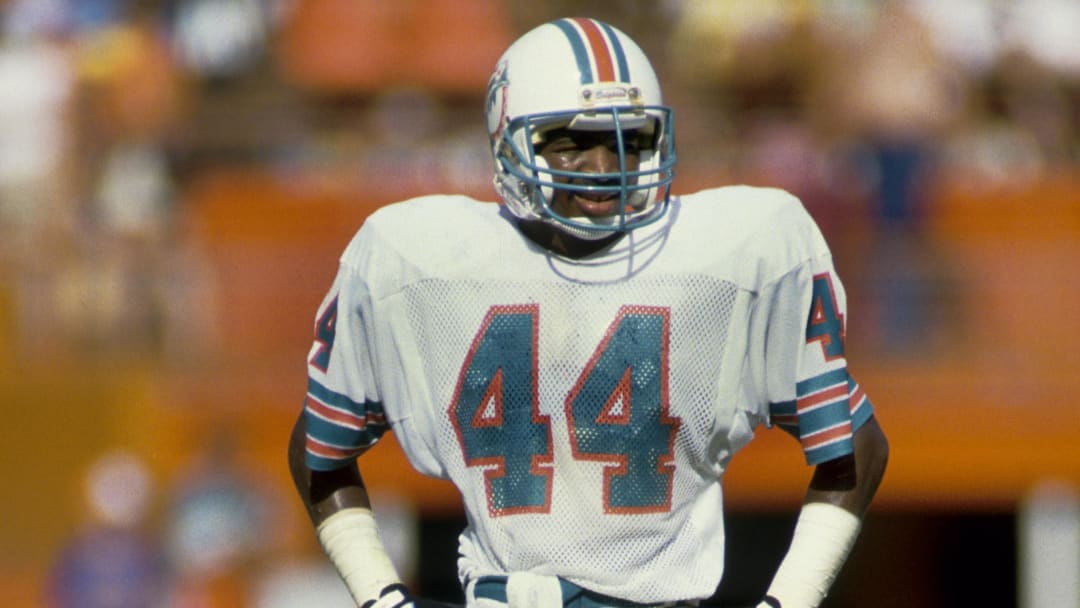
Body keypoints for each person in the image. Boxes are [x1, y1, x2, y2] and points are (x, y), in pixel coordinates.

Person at [288, 17, 888, 608]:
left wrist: (790, 600)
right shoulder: (415, 258)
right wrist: (380, 596)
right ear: (508, 142)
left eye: (630, 139)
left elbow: (854, 445)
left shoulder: (738, 249)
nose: (605, 169)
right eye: (572, 143)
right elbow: (320, 448)